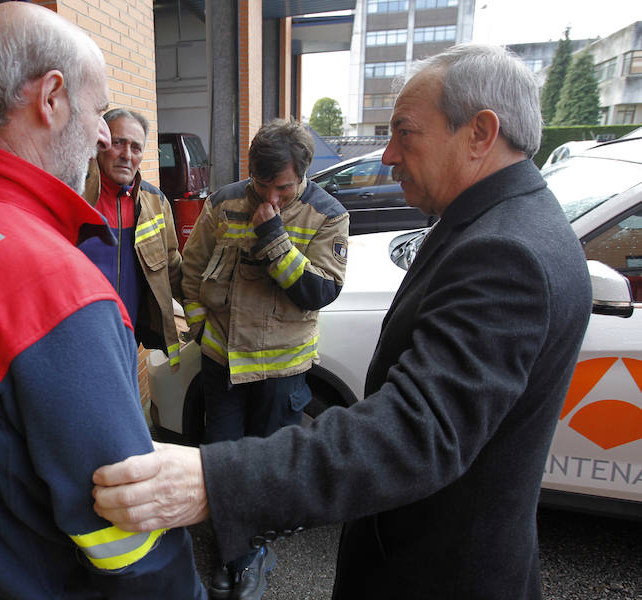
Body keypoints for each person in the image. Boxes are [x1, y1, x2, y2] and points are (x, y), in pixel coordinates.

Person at [92, 44, 593, 600]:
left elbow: (413, 432)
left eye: (405, 132)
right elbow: (194, 274)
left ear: (479, 132)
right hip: (226, 364)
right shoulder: (500, 224)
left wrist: (214, 480)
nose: (388, 154)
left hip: (433, 573)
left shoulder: (506, 251)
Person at [0, 3, 205, 598]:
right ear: (51, 98)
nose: (106, 135)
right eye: (98, 110)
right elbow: (130, 540)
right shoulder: (59, 288)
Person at [180, 118, 349, 599]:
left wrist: (273, 233)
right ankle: (236, 555)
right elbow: (191, 271)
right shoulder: (224, 202)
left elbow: (319, 291)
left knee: (271, 466)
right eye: (260, 184)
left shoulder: (328, 214)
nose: (268, 196)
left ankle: (253, 554)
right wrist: (197, 326)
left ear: (304, 175)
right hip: (224, 364)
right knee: (225, 463)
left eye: (282, 188)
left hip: (281, 370)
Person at [80, 108, 184, 370]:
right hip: (77, 337)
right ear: (101, 142)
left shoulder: (156, 202)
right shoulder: (74, 193)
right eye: (118, 143)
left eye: (136, 148)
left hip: (128, 339)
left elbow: (173, 268)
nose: (127, 155)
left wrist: (206, 315)